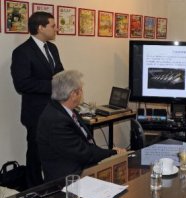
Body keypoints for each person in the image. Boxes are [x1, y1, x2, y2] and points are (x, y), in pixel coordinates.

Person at [37, 70, 126, 182]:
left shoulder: (64, 109)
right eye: (80, 90)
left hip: (80, 164)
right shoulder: (56, 121)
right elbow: (84, 153)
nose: (82, 92)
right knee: (122, 172)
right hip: (68, 179)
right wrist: (113, 153)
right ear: (73, 94)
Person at [10, 12, 64, 187]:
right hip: (36, 113)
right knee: (35, 155)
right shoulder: (22, 52)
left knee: (55, 151)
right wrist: (53, 86)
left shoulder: (52, 48)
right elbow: (22, 84)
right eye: (53, 25)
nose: (57, 28)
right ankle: (33, 192)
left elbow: (59, 73)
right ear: (41, 28)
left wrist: (66, 84)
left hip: (55, 110)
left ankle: (53, 187)